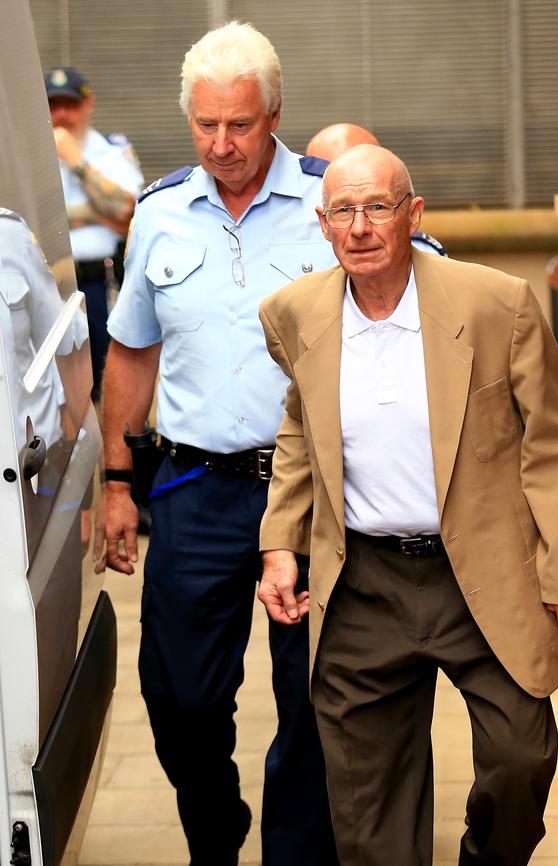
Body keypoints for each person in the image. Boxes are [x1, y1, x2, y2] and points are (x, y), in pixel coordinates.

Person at [257, 144, 558, 866]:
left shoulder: (493, 303)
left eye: (378, 207)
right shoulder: (293, 313)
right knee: (369, 812)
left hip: (481, 572)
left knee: (521, 758)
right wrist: (280, 544)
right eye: (343, 212)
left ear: (412, 214)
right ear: (322, 225)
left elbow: (555, 438)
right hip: (361, 584)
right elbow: (299, 429)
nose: (359, 227)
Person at [101, 22, 337, 866]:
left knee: (314, 696)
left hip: (308, 494)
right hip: (193, 488)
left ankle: (296, 851)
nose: (222, 144)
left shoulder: (325, 204)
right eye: (205, 125)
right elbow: (130, 350)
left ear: (274, 114)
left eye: (239, 124)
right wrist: (117, 483)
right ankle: (216, 832)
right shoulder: (160, 213)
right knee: (177, 696)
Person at [45, 67, 144, 400]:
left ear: (88, 104)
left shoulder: (109, 151)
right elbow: (29, 219)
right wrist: (97, 214)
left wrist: (76, 161)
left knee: (108, 381)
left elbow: (126, 212)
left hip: (99, 283)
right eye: (52, 104)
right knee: (58, 389)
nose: (61, 114)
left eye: (69, 104)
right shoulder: (30, 157)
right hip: (48, 283)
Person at [307, 122, 446, 257]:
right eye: (320, 174)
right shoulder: (293, 240)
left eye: (377, 206)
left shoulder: (421, 255)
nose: (359, 229)